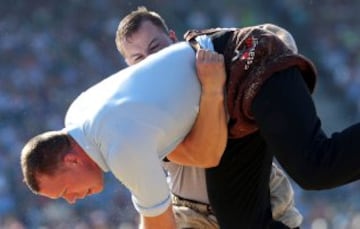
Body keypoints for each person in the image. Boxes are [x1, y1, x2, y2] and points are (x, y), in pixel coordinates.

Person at [21, 10, 360, 229]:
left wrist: (213, 92)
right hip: (229, 110)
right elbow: (199, 155)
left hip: (247, 60)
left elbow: (162, 220)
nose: (71, 199)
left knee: (315, 167)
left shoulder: (118, 144)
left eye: (65, 190)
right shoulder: (80, 117)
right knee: (239, 221)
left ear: (71, 158)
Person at [115, 6, 302, 229]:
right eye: (138, 58)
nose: (150, 61)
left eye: (155, 48)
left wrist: (256, 69)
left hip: (261, 196)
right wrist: (213, 89)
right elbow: (205, 155)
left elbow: (268, 41)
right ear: (128, 66)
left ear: (172, 39)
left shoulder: (209, 54)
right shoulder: (141, 112)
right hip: (193, 215)